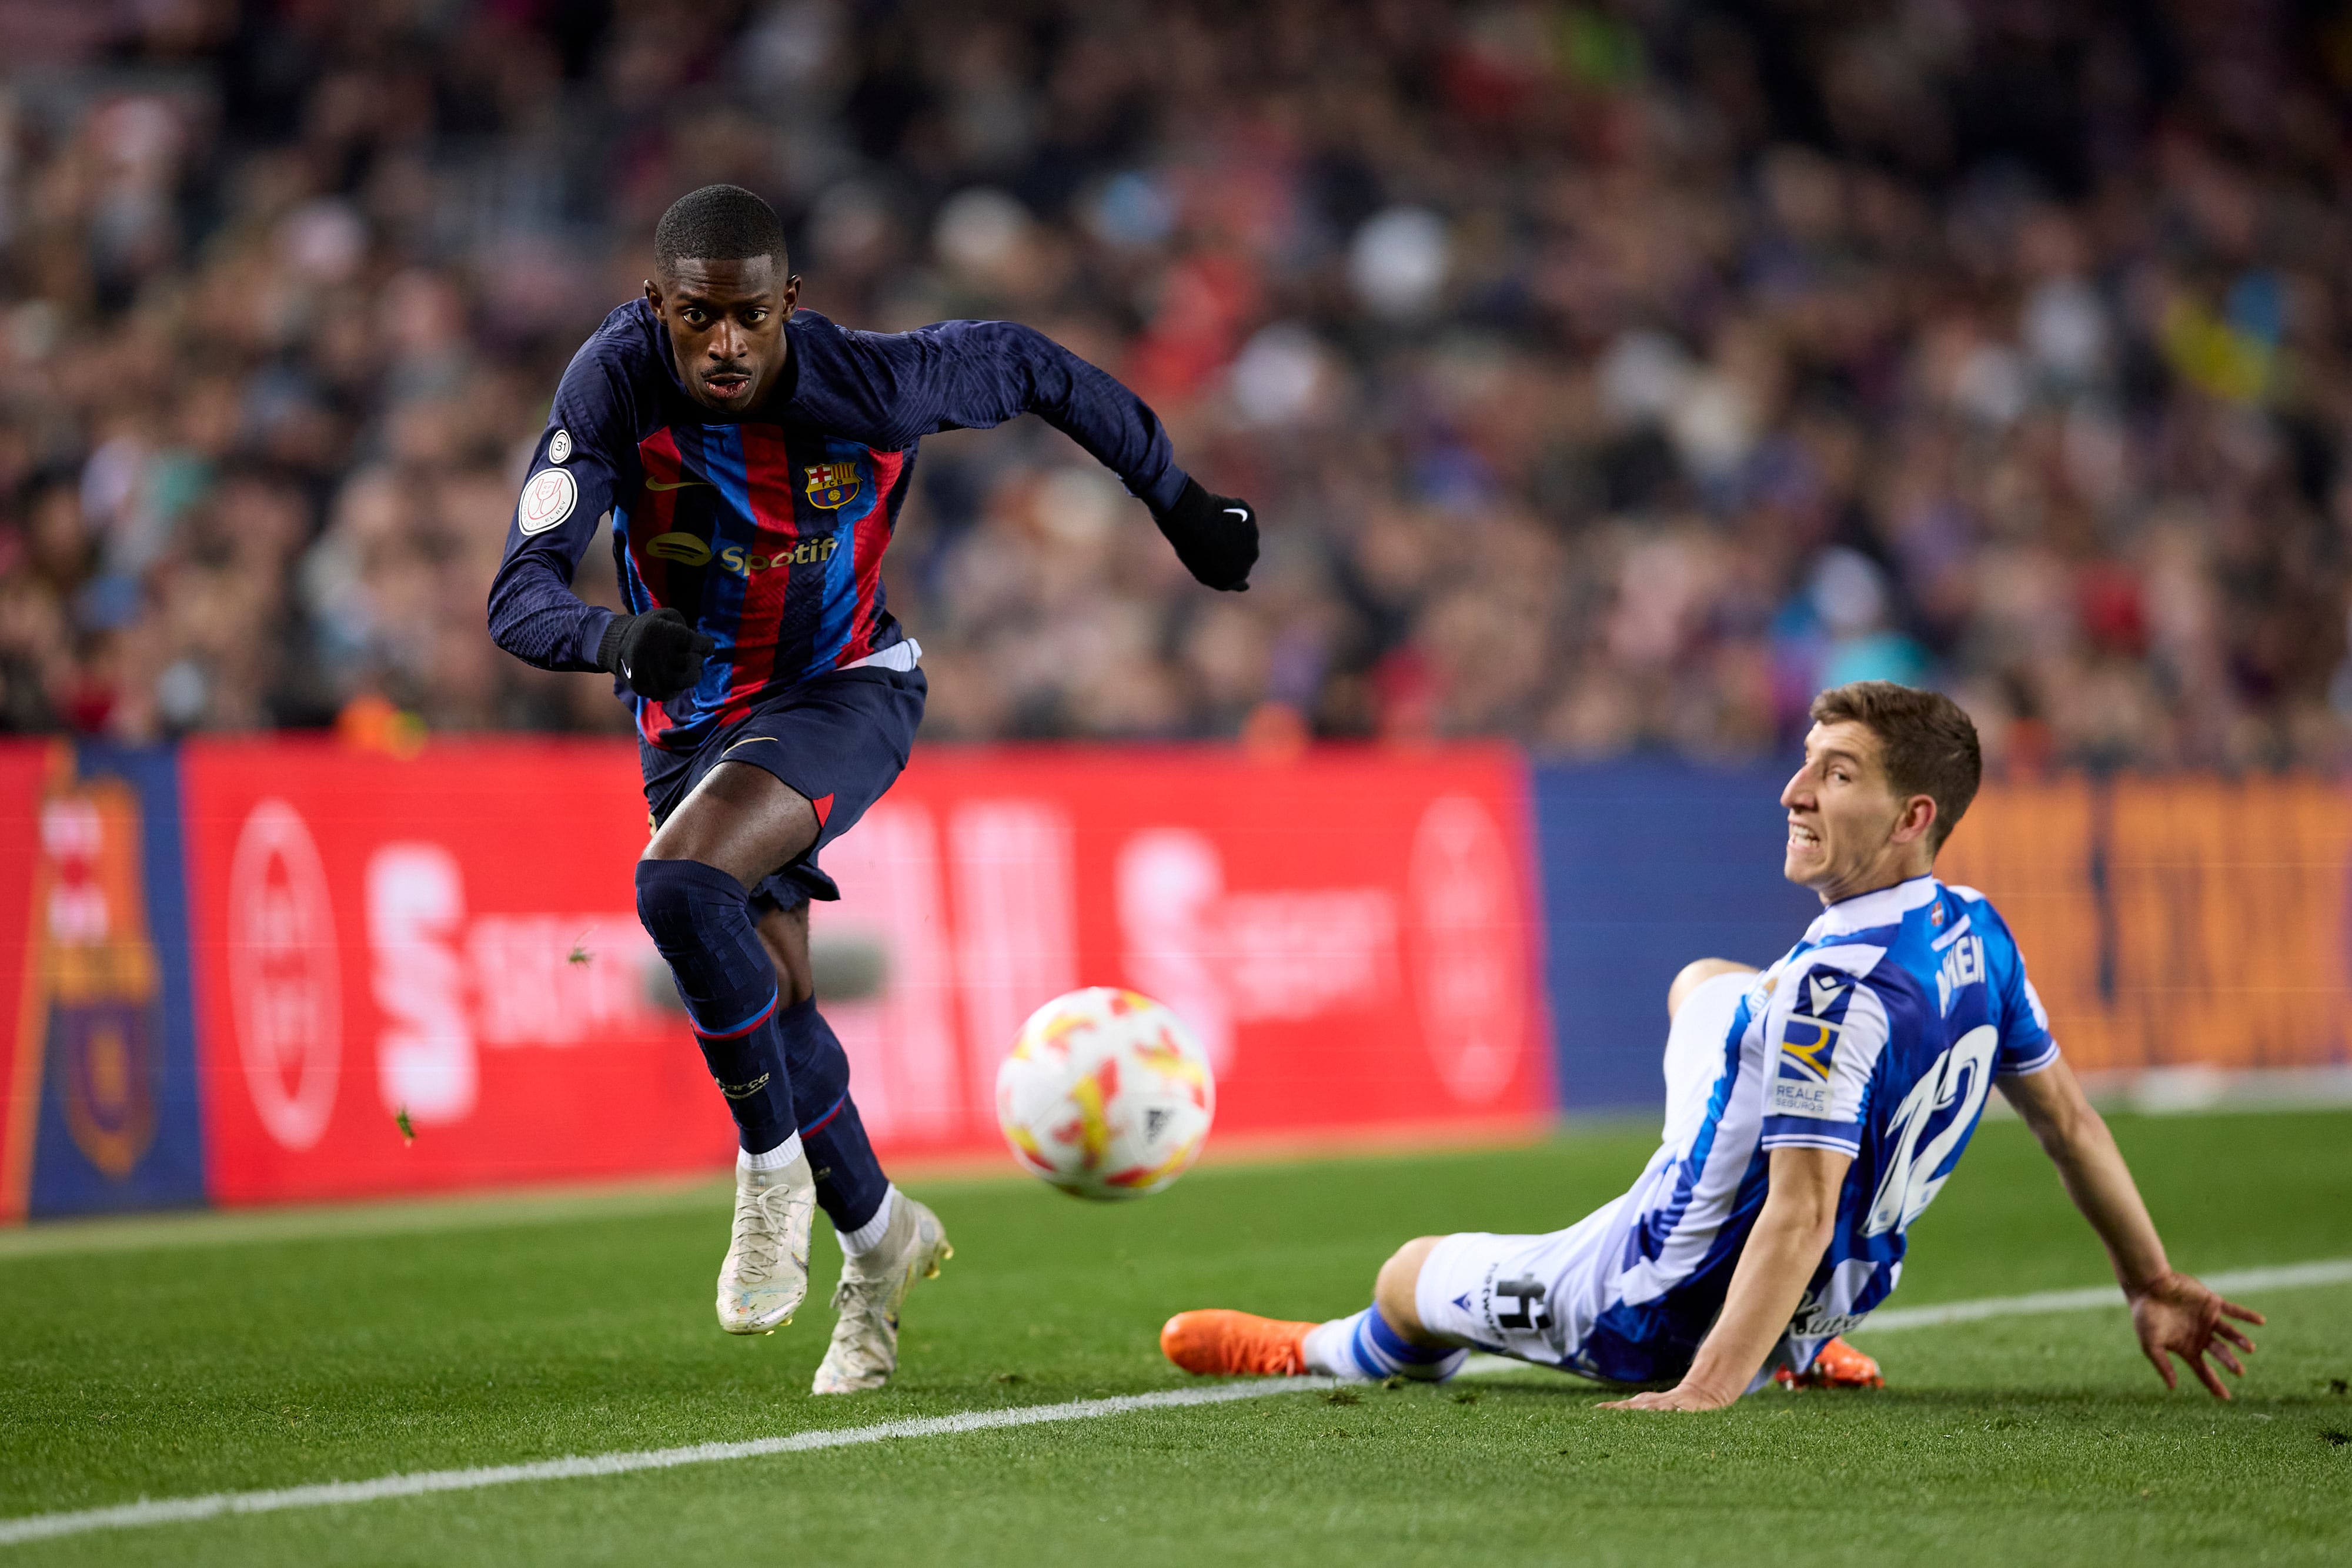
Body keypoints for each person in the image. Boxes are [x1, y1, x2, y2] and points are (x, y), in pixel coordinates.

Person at [487, 184, 1258, 1393]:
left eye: (747, 315)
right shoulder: (613, 382)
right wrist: (615, 641)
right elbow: (517, 592)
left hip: (844, 686)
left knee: (681, 886)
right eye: (697, 317)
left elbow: (1035, 366)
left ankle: (768, 1175)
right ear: (658, 306)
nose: (724, 343)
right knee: (779, 1001)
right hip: (686, 713)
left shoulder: (878, 385)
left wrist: (1180, 502)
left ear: (787, 302)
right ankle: (880, 1241)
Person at [1161, 681, 2263, 1407]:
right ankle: (1803, 1332)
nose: (1794, 793)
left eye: (1837, 774)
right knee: (1711, 990)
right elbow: (2068, 1120)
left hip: (1654, 1301)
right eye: (1807, 761)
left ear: (1914, 814)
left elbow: (1799, 1208)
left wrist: (1707, 1386)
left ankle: (1322, 1348)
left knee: (1408, 1277)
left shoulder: (1837, 988)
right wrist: (2151, 1279)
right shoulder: (1975, 926)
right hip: (1845, 1287)